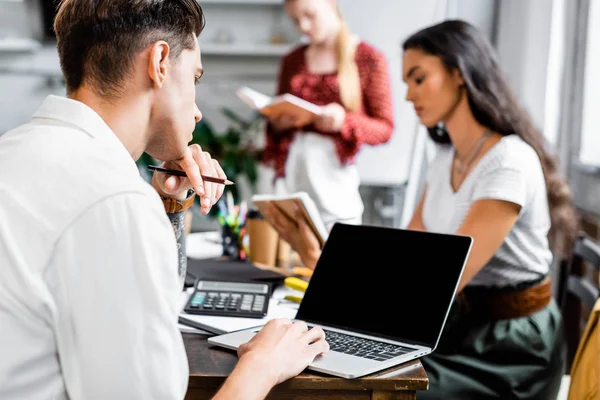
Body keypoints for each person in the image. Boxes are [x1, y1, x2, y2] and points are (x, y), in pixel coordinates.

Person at [0, 1, 327, 399]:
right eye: (195, 77)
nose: (199, 112)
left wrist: (170, 208)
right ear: (159, 62)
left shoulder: (16, 150)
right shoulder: (113, 199)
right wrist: (263, 365)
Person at [263, 20, 579, 399]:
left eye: (418, 78)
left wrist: (332, 270)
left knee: (364, 391)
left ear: (459, 74)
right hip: (458, 324)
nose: (409, 95)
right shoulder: (446, 157)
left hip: (509, 347)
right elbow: (410, 249)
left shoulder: (508, 162)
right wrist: (327, 261)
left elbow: (439, 283)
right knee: (327, 374)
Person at [261, 0, 394, 229]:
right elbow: (277, 116)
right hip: (290, 175)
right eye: (295, 19)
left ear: (331, 3)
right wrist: (279, 123)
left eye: (310, 15)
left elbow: (384, 128)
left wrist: (344, 120)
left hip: (333, 182)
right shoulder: (292, 60)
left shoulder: (368, 58)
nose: (303, 26)